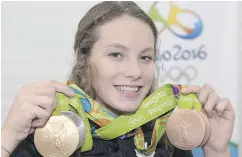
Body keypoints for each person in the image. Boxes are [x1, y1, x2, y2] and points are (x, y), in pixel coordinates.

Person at [1, 1, 235, 157]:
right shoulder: (49, 133)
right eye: (116, 54)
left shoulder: (166, 136)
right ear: (83, 58)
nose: (135, 71)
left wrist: (216, 150)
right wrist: (6, 140)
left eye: (145, 57)